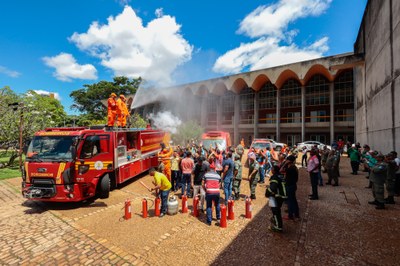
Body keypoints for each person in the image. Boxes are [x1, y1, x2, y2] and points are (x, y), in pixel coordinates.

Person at [265, 165, 286, 232]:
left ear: (274, 170)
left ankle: (278, 227)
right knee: (277, 210)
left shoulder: (275, 177)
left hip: (278, 196)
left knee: (275, 211)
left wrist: (267, 193)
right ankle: (275, 220)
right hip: (282, 196)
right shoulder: (281, 176)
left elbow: (272, 188)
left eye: (272, 169)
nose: (271, 170)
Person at [282, 155, 299, 220]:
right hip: (293, 185)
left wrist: (285, 164)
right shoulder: (294, 167)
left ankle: (290, 215)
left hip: (290, 186)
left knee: (290, 201)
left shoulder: (290, 169)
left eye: (287, 160)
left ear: (290, 161)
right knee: (293, 200)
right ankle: (296, 214)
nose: (286, 160)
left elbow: (281, 170)